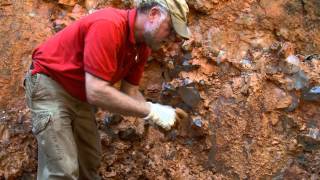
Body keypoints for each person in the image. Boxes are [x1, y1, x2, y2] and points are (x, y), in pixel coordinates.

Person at [24, 0, 190, 179]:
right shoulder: (108, 25)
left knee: (89, 162)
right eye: (171, 29)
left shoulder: (141, 47)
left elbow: (131, 92)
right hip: (49, 84)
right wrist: (152, 111)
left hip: (79, 95)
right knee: (62, 170)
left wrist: (160, 114)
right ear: (154, 14)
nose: (172, 38)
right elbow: (96, 92)